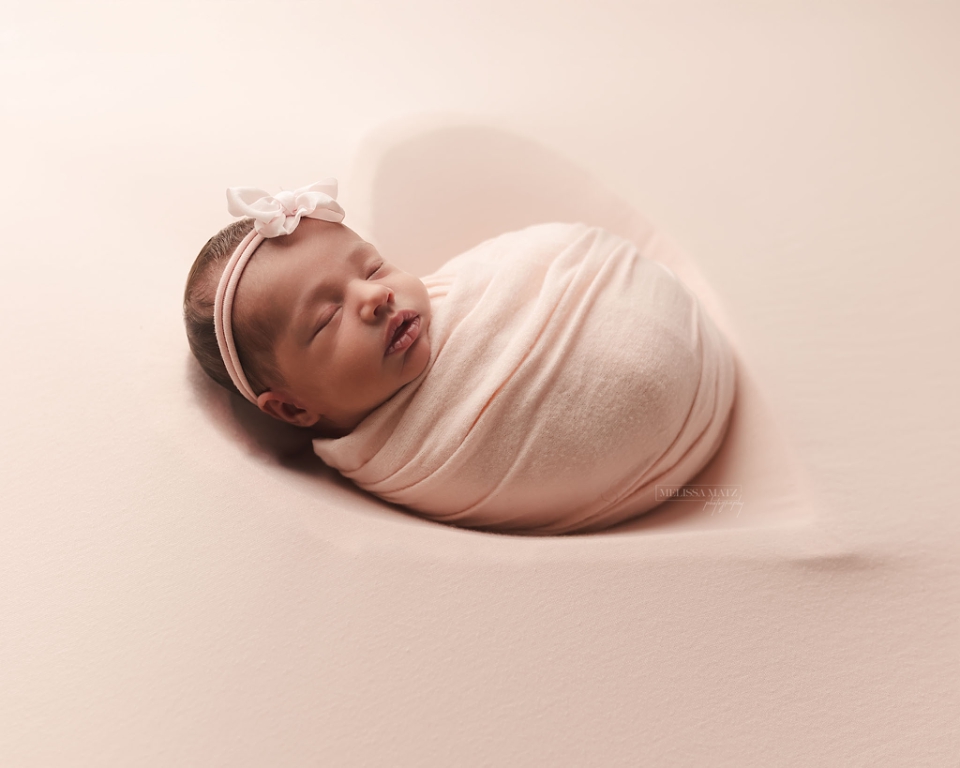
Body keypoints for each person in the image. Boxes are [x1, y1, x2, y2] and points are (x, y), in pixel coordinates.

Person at [184, 179, 736, 534]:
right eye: (327, 319)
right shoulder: (416, 458)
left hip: (643, 313)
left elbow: (533, 264)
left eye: (372, 268)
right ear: (292, 409)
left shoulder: (454, 300)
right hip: (669, 415)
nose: (375, 298)